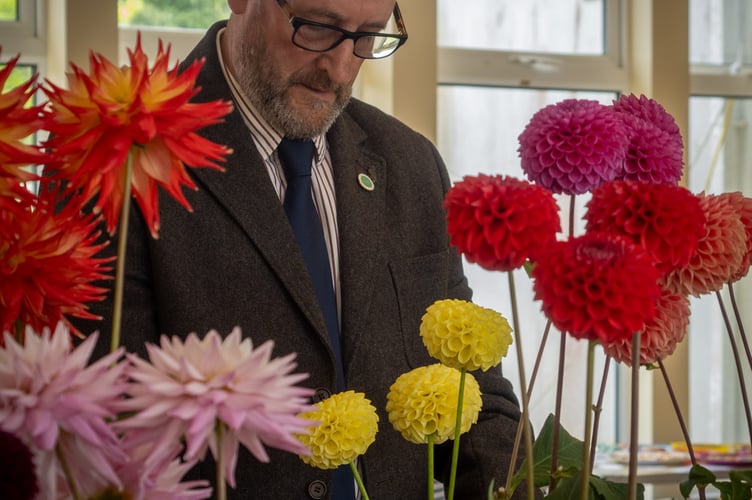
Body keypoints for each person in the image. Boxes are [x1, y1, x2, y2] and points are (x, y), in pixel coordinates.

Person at [82, 0, 528, 498]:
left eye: (368, 37)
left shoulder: (411, 163)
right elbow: (101, 426)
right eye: (317, 27)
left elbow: (473, 395)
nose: (339, 69)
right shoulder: (119, 154)